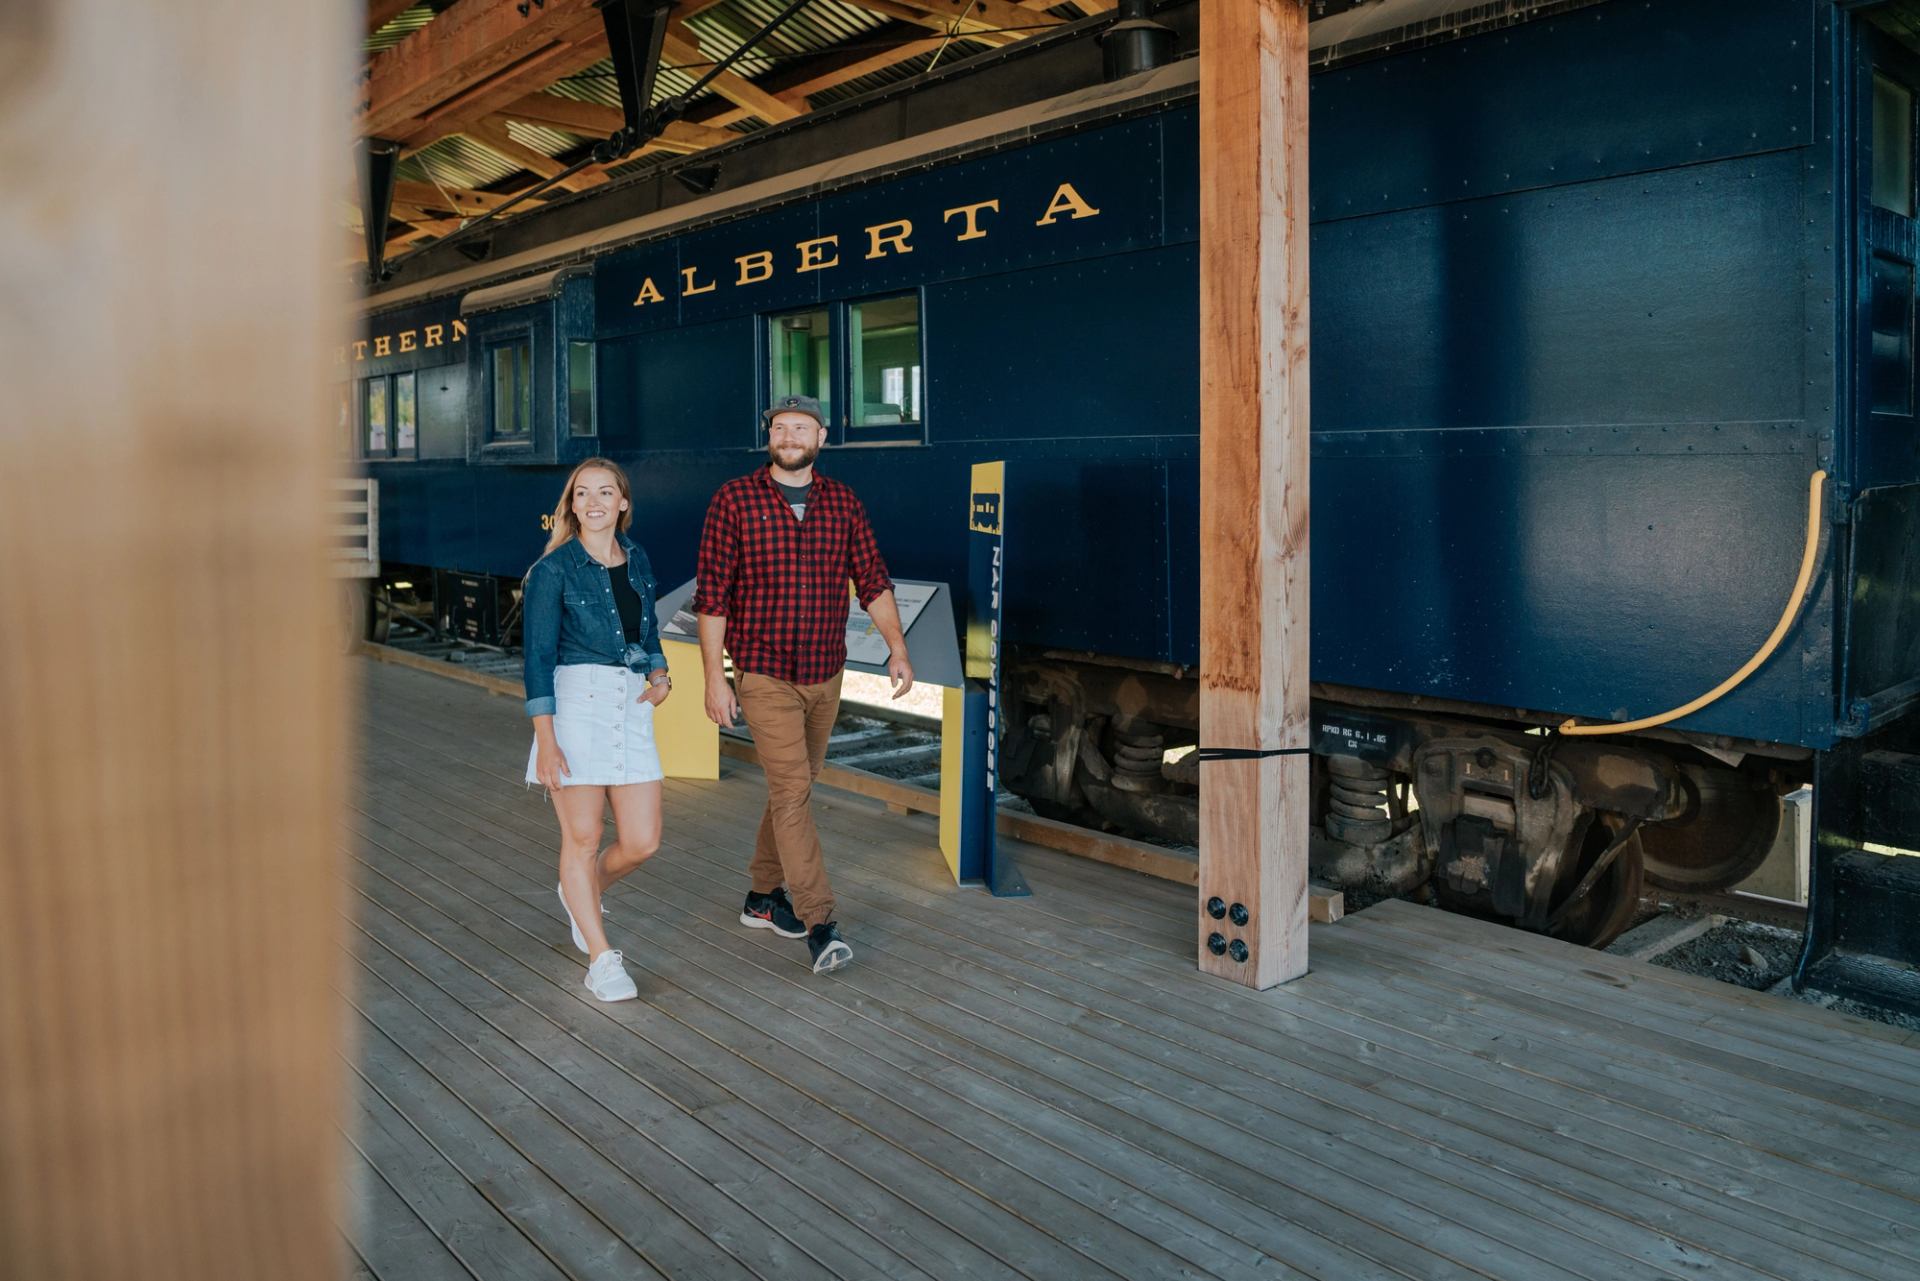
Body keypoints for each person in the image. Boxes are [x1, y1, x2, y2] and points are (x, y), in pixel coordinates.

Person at [694, 394, 914, 974]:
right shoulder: (734, 499)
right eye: (779, 427)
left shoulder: (842, 502)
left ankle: (763, 896)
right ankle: (820, 921)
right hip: (764, 673)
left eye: (801, 427)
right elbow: (712, 596)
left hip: (826, 673)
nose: (789, 435)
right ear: (769, 436)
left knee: (794, 788)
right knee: (793, 793)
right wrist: (716, 680)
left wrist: (897, 648)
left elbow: (872, 580)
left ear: (821, 438)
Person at [523, 458, 672, 1002]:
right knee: (582, 838)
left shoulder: (638, 560)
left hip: (630, 705)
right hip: (575, 708)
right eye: (582, 493)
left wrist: (661, 673)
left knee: (641, 842)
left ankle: (578, 893)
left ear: (623, 502)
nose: (594, 502)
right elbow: (537, 658)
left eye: (605, 493)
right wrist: (546, 739)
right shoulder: (553, 570)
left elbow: (648, 630)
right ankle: (601, 958)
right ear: (572, 505)